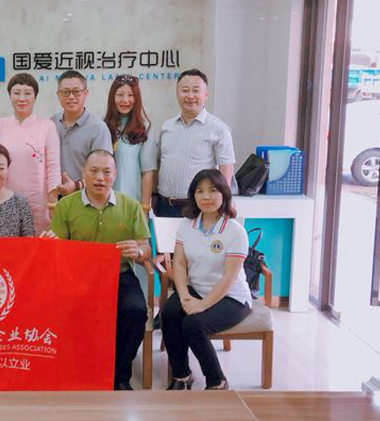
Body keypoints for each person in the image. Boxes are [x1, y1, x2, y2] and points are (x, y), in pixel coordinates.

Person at [44, 149, 151, 390]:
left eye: (106, 172)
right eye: (93, 171)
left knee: (135, 312)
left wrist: (138, 251)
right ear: (83, 173)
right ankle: (78, 370)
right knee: (63, 310)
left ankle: (119, 375)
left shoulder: (130, 205)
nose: (100, 178)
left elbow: (146, 248)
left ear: (115, 174)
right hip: (77, 276)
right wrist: (50, 243)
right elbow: (57, 250)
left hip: (119, 275)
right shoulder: (66, 205)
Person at [161, 169, 252, 391]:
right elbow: (179, 264)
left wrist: (202, 304)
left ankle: (217, 381)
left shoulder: (235, 231)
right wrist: (184, 296)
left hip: (231, 297)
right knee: (169, 313)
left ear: (224, 194)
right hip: (196, 288)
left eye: (212, 190)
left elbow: (230, 276)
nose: (206, 197)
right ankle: (182, 375)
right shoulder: (187, 225)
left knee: (193, 324)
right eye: (199, 191)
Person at [152, 68, 236, 217]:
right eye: (185, 90)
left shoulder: (219, 129)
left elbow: (226, 168)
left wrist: (223, 204)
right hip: (164, 206)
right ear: (177, 93)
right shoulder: (167, 127)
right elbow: (159, 164)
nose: (190, 96)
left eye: (196, 91)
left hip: (198, 207)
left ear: (206, 94)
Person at [0, 73, 61, 233]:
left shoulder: (47, 126)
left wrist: (52, 204)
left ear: (35, 97)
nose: (22, 98)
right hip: (6, 199)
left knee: (37, 244)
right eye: (16, 93)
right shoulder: (0, 125)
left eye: (27, 93)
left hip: (38, 202)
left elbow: (53, 168)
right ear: (10, 96)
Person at [50, 70, 112, 197]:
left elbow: (103, 170)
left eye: (77, 92)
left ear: (85, 93)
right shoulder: (51, 123)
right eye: (65, 92)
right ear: (58, 94)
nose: (71, 97)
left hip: (87, 197)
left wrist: (77, 185)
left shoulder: (98, 128)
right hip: (55, 197)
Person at [103, 75, 155, 211]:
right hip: (104, 203)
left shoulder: (145, 128)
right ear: (113, 97)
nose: (125, 100)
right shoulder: (103, 127)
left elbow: (147, 172)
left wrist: (144, 208)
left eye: (130, 95)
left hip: (133, 204)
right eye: (120, 95)